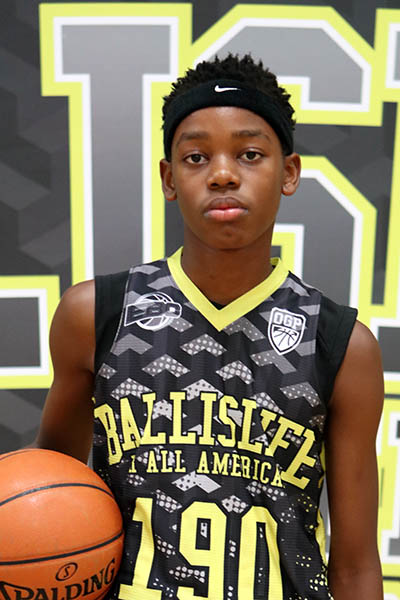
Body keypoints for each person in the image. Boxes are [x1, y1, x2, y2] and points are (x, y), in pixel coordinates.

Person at [33, 54, 384, 599]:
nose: (222, 174)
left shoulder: (339, 343)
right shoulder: (98, 314)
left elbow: (356, 568)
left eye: (249, 154)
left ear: (289, 173)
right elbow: (44, 503)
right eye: (196, 157)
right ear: (169, 178)